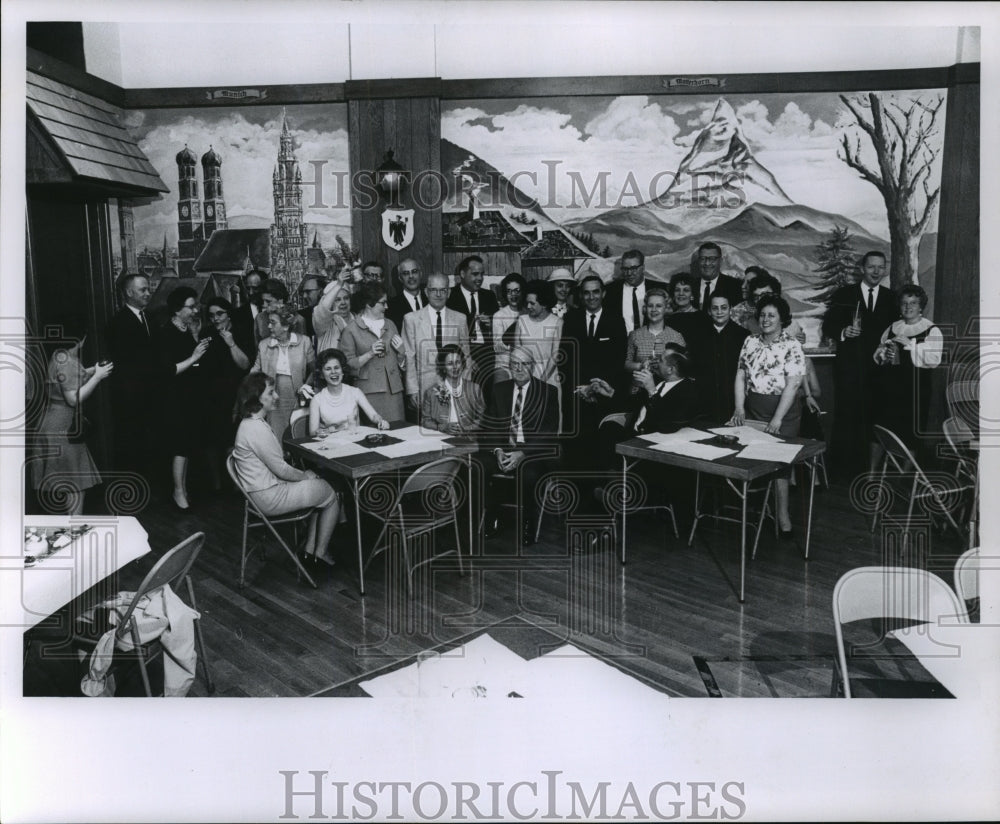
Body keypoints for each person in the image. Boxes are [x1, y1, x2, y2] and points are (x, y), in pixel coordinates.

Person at [232, 373, 340, 566]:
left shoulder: (250, 423)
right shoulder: (256, 428)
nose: (276, 396)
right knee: (331, 492)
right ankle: (320, 553)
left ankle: (310, 550)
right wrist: (305, 476)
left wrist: (306, 477)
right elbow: (281, 470)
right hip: (269, 497)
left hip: (261, 493)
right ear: (257, 397)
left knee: (318, 487)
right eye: (271, 392)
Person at [731, 295, 806, 537]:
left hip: (783, 412)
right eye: (762, 315)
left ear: (782, 319)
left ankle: (783, 516)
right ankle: (760, 510)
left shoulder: (792, 345)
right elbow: (741, 375)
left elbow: (793, 384)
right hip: (753, 409)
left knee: (780, 465)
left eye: (771, 315)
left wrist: (777, 419)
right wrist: (739, 408)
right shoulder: (750, 341)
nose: (765, 319)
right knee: (754, 459)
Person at [821, 250, 899, 475]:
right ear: (862, 269)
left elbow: (897, 332)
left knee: (875, 418)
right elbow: (829, 326)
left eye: (881, 267)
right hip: (849, 370)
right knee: (848, 417)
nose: (876, 271)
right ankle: (843, 471)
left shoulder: (892, 298)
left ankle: (870, 471)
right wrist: (844, 331)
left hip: (879, 372)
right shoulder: (845, 294)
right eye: (871, 266)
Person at [31, 315, 114, 514]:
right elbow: (73, 399)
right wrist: (97, 377)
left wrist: (93, 370)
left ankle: (73, 526)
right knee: (76, 485)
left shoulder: (60, 355)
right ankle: (75, 528)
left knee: (72, 483)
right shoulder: (67, 361)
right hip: (63, 428)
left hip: (53, 423)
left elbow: (70, 379)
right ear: (82, 338)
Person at [481, 347, 560, 547]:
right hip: (504, 447)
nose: (519, 368)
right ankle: (492, 515)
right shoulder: (499, 389)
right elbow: (489, 426)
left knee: (528, 474)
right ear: (509, 367)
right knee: (477, 467)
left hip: (532, 451)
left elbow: (548, 433)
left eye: (524, 364)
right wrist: (498, 451)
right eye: (514, 364)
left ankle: (528, 522)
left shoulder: (548, 392)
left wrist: (522, 453)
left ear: (532, 366)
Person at [557, 274, 627, 456]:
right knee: (575, 450)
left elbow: (618, 360)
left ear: (603, 293)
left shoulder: (616, 320)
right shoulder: (570, 319)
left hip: (603, 395)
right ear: (581, 295)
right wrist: (580, 388)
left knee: (600, 449)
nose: (591, 297)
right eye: (586, 293)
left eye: (595, 292)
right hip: (576, 394)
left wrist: (594, 388)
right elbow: (565, 358)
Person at [107, 273, 167, 479]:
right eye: (143, 290)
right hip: (132, 398)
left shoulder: (151, 318)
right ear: (129, 292)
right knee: (133, 446)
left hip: (153, 396)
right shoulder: (117, 323)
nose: (148, 293)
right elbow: (126, 364)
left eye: (148, 289)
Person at [872, 284, 943, 452]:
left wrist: (910, 344)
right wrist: (884, 355)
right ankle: (873, 469)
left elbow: (934, 360)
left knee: (909, 431)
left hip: (915, 390)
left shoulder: (931, 330)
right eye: (904, 303)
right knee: (882, 428)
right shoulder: (893, 327)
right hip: (889, 388)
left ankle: (906, 469)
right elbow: (879, 355)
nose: (908, 307)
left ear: (921, 306)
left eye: (913, 303)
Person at [158, 286, 211, 510]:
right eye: (191, 307)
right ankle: (178, 491)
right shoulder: (165, 334)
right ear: (177, 310)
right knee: (180, 445)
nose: (195, 310)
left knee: (187, 444)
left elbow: (193, 366)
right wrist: (195, 356)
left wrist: (195, 340)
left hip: (190, 397)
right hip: (175, 398)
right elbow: (169, 370)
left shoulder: (185, 330)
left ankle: (183, 489)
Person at [198, 297, 252, 489]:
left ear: (229, 314)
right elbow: (201, 364)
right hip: (212, 394)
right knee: (212, 439)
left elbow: (245, 365)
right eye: (211, 315)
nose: (216, 318)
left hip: (236, 394)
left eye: (219, 313)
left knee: (235, 438)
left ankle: (237, 483)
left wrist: (231, 344)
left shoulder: (242, 331)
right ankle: (216, 483)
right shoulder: (206, 333)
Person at [402, 272, 471, 413]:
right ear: (426, 292)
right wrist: (412, 389)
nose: (438, 294)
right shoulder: (411, 319)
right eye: (433, 290)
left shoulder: (460, 319)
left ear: (449, 292)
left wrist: (466, 386)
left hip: (454, 385)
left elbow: (466, 355)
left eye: (443, 290)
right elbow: (409, 356)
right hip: (424, 387)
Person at [338, 282, 407, 423]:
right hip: (368, 393)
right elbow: (347, 365)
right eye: (383, 303)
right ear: (369, 304)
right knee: (373, 432)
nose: (387, 307)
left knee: (398, 431)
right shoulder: (351, 330)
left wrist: (401, 354)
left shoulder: (391, 324)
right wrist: (370, 353)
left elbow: (401, 363)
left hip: (394, 391)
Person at [251, 304, 315, 440]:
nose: (269, 326)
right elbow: (254, 373)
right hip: (274, 396)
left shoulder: (304, 342)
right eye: (268, 322)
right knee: (277, 435)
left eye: (273, 322)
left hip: (298, 396)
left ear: (286, 326)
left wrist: (306, 386)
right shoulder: (264, 345)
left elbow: (314, 370)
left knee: (297, 433)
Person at [447, 255, 499, 399]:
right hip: (461, 354)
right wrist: (466, 358)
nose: (480, 278)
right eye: (475, 274)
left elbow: (498, 330)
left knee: (488, 398)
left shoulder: (489, 296)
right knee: (465, 397)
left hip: (487, 355)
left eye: (482, 274)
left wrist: (491, 324)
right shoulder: (450, 296)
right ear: (462, 274)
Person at [308, 348, 390, 436]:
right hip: (331, 442)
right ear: (321, 374)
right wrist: (334, 430)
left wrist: (380, 421)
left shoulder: (355, 392)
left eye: (336, 368)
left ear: (342, 371)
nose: (333, 372)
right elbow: (313, 432)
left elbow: (373, 416)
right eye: (328, 369)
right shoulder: (317, 400)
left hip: (355, 440)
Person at [698, 294, 750, 424]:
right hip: (704, 402)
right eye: (715, 308)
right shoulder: (698, 335)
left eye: (724, 307)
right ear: (709, 311)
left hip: (733, 402)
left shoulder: (743, 335)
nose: (719, 312)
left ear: (730, 309)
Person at [624, 286, 687, 386]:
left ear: (666, 309)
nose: (654, 309)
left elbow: (683, 368)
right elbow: (626, 364)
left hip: (666, 390)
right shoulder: (635, 335)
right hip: (639, 388)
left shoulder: (676, 336)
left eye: (658, 306)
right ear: (645, 308)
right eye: (650, 306)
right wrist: (641, 365)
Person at [420, 344, 486, 435]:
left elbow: (483, 419)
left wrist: (466, 429)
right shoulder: (431, 392)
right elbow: (425, 422)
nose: (455, 367)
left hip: (467, 439)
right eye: (450, 363)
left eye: (458, 362)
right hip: (440, 438)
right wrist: (442, 427)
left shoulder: (474, 389)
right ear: (443, 368)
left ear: (462, 364)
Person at [603, 249, 668, 336]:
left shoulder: (659, 288)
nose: (629, 273)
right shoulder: (610, 290)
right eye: (625, 269)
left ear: (643, 268)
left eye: (633, 268)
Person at [515, 280, 562, 388]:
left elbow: (555, 355)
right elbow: (517, 353)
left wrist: (541, 381)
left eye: (532, 303)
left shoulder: (557, 322)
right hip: (525, 373)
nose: (528, 306)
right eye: (527, 302)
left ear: (544, 304)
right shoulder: (521, 320)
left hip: (549, 375)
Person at [666, 272, 713, 360]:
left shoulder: (703, 318)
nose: (681, 293)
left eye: (686, 290)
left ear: (692, 295)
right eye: (677, 290)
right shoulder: (668, 320)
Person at [491, 273, 526, 381]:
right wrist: (517, 323)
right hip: (504, 368)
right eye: (509, 291)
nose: (513, 295)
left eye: (516, 290)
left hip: (524, 368)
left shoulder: (528, 312)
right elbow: (498, 347)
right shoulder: (499, 315)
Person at [694, 242, 743, 312]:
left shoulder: (735, 286)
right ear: (698, 261)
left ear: (721, 261)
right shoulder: (690, 285)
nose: (707, 263)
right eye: (703, 258)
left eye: (712, 259)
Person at [254, 278, 306, 343]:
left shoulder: (298, 320)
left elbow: (303, 345)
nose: (264, 305)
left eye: (268, 301)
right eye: (263, 301)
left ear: (280, 300)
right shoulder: (259, 318)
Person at [312, 281, 353, 354]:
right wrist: (339, 285)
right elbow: (323, 309)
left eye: (346, 298)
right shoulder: (323, 323)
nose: (343, 302)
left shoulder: (358, 320)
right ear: (331, 303)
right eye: (337, 300)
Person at [386, 257, 427, 331]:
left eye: (414, 271)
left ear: (420, 274)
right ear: (400, 278)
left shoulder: (432, 300)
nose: (411, 276)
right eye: (406, 273)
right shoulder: (391, 306)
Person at [297, 275, 327, 341]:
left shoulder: (332, 313)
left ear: (321, 292)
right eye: (303, 292)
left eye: (308, 292)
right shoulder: (301, 316)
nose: (304, 296)